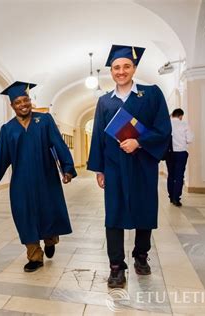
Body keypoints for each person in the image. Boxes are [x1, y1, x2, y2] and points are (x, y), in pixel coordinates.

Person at [87, 45, 172, 288]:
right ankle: (116, 267)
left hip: (143, 164)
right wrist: (100, 168)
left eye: (126, 66)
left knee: (144, 211)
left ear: (134, 68)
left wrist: (139, 142)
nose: (121, 71)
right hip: (114, 166)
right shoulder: (104, 102)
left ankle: (141, 255)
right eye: (116, 67)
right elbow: (98, 137)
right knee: (113, 214)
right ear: (110, 71)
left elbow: (163, 129)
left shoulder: (151, 94)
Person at [0, 81, 76, 273]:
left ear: (30, 100)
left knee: (49, 211)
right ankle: (34, 256)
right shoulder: (7, 129)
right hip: (21, 182)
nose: (23, 104)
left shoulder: (44, 120)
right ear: (12, 106)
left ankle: (51, 239)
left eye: (25, 100)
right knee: (25, 216)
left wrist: (67, 168)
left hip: (47, 177)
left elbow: (58, 144)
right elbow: (1, 157)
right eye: (18, 102)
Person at [166, 108, 194, 207]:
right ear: (181, 116)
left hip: (169, 153)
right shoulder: (184, 124)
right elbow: (190, 139)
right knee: (179, 176)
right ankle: (176, 198)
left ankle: (170, 196)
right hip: (181, 153)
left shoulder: (167, 124)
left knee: (171, 174)